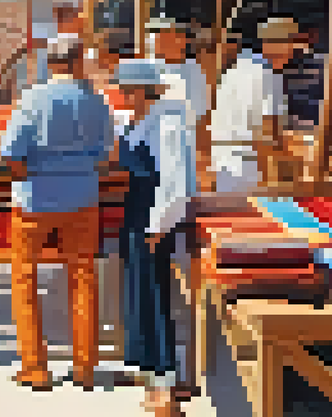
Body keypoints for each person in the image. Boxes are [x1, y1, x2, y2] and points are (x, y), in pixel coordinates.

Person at [0, 36, 115, 392]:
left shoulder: (33, 98)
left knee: (25, 280)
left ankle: (35, 368)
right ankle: (85, 367)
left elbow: (11, 151)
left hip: (35, 199)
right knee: (83, 279)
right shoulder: (95, 100)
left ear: (50, 63)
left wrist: (30, 177)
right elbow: (106, 154)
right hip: (82, 197)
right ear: (78, 61)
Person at [112, 59, 195, 417]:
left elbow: (176, 182)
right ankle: (147, 370)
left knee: (156, 295)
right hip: (136, 211)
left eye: (128, 91)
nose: (123, 96)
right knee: (139, 292)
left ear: (144, 92)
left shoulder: (167, 125)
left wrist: (159, 225)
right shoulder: (137, 122)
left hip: (152, 215)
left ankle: (166, 385)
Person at [208, 17, 293, 193]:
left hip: (222, 165)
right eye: (289, 44)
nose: (291, 52)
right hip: (249, 168)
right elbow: (267, 132)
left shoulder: (234, 71)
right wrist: (277, 178)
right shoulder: (268, 75)